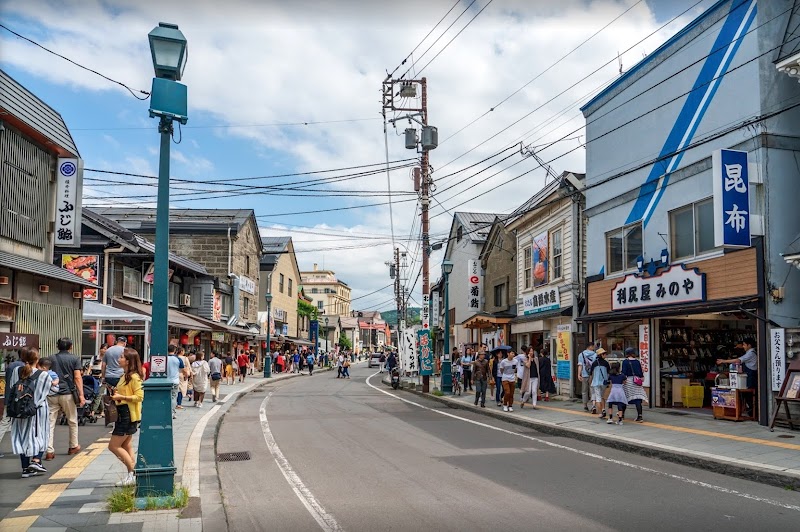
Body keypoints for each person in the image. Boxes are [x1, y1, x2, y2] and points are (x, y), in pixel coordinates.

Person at [9, 347, 52, 478]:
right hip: (38, 411)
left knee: (22, 437)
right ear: (37, 359)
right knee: (41, 434)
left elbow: (12, 387)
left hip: (19, 409)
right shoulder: (44, 375)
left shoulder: (17, 371)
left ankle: (25, 468)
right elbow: (45, 393)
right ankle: (36, 460)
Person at [108, 348, 144, 487]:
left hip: (128, 414)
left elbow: (140, 396)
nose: (119, 359)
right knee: (125, 444)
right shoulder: (125, 376)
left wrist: (121, 396)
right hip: (123, 412)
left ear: (128, 361)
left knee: (113, 446)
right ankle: (132, 474)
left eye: (122, 357)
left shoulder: (134, 377)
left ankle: (133, 472)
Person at [46, 338, 84, 461]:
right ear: (71, 346)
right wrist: (81, 395)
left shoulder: (50, 358)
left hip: (52, 393)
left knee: (50, 423)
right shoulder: (74, 358)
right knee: (72, 420)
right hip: (68, 393)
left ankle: (49, 450)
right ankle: (73, 446)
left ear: (58, 346)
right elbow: (77, 377)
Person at [717, 337, 758, 416]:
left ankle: (753, 413)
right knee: (748, 395)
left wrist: (723, 361)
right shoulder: (751, 352)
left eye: (744, 345)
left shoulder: (751, 353)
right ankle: (751, 412)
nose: (743, 346)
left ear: (749, 345)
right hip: (749, 376)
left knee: (749, 395)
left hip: (751, 377)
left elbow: (738, 360)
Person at [622, 347, 647, 423]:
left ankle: (622, 414)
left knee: (625, 398)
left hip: (628, 381)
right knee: (638, 399)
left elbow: (624, 372)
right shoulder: (637, 362)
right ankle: (640, 416)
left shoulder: (625, 362)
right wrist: (641, 377)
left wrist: (623, 380)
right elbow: (640, 372)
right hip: (637, 381)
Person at [590, 348, 610, 419]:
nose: (605, 355)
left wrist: (591, 381)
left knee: (598, 398)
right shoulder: (606, 363)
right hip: (604, 383)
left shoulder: (594, 363)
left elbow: (591, 373)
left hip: (595, 383)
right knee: (602, 396)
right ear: (601, 355)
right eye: (604, 354)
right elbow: (608, 373)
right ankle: (603, 409)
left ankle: (600, 413)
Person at [577, 342, 596, 412]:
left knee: (584, 391)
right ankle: (593, 405)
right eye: (593, 346)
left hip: (585, 375)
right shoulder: (595, 355)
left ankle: (585, 406)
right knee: (593, 390)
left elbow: (580, 365)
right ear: (590, 346)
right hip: (593, 375)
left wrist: (579, 374)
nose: (594, 348)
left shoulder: (581, 355)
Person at [167, 345, 184, 419]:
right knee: (173, 397)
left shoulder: (164, 358)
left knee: (166, 397)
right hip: (175, 381)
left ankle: (166, 411)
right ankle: (172, 412)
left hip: (165, 381)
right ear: (174, 350)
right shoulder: (178, 359)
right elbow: (182, 369)